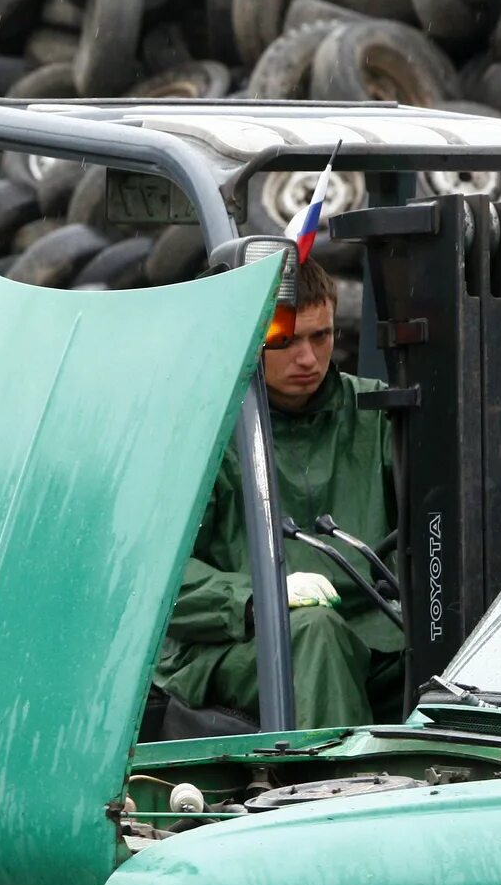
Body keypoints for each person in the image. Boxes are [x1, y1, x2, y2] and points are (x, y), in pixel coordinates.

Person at [154, 253, 401, 730]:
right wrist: (255, 597)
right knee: (316, 632)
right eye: (283, 341)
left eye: (321, 336)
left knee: (457, 644)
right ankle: (336, 794)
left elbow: (454, 465)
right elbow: (155, 575)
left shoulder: (373, 410)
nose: (307, 358)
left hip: (370, 635)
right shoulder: (203, 428)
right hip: (230, 641)